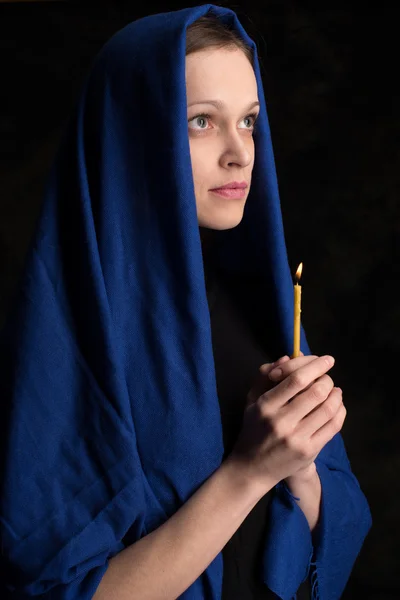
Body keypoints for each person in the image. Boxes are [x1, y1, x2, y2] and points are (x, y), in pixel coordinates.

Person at [0, 4, 372, 600]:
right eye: (202, 122)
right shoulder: (67, 333)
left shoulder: (267, 307)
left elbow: (328, 528)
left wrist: (300, 466)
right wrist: (249, 473)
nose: (240, 153)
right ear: (135, 137)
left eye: (249, 121)